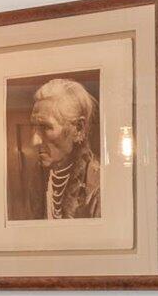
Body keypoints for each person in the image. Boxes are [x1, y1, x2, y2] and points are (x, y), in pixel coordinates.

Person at [19, 78, 101, 219]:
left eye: (46, 127)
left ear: (78, 129)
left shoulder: (98, 187)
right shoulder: (38, 181)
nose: (34, 141)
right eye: (34, 127)